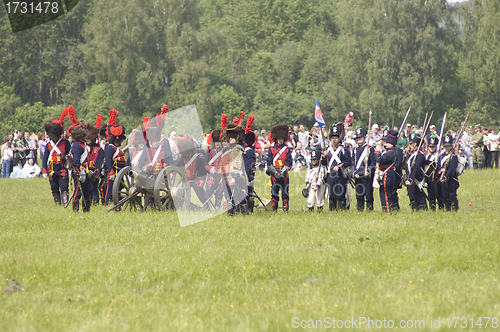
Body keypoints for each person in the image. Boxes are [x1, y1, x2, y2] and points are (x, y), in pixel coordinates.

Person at [42, 107, 71, 205]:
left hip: (62, 168)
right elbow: (45, 157)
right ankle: (57, 203)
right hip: (52, 168)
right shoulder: (48, 145)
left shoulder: (66, 143)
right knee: (54, 187)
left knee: (64, 186)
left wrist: (66, 158)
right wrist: (44, 170)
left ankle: (65, 202)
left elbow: (70, 155)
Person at [68, 107, 92, 213]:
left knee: (87, 192)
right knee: (78, 191)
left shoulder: (82, 144)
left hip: (84, 171)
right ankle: (75, 211)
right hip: (79, 172)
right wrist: (79, 172)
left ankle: (86, 210)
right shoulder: (77, 145)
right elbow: (76, 160)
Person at [324, 123, 351, 211]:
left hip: (341, 175)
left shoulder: (344, 149)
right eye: (332, 138)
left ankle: (341, 209)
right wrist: (324, 157)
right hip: (330, 174)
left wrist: (339, 166)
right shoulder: (327, 149)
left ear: (339, 138)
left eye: (336, 138)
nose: (334, 140)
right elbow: (324, 163)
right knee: (331, 193)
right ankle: (332, 209)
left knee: (340, 192)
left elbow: (348, 161)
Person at [266, 124, 292, 212]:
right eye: (279, 139)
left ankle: (285, 208)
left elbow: (289, 163)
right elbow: (269, 163)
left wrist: (283, 172)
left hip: (284, 174)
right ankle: (274, 209)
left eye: (282, 139)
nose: (280, 140)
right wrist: (275, 173)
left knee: (285, 192)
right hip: (274, 173)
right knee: (274, 192)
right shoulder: (271, 149)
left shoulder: (287, 149)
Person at [104, 109, 127, 205]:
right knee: (110, 189)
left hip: (120, 173)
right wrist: (111, 171)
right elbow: (108, 161)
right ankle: (107, 203)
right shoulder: (110, 148)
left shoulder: (118, 148)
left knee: (119, 190)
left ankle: (118, 203)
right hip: (113, 173)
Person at [375, 130, 399, 213]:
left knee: (386, 194)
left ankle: (388, 211)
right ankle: (386, 209)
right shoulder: (389, 152)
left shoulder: (390, 153)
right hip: (387, 174)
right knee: (384, 193)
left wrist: (377, 151)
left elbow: (379, 159)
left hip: (387, 174)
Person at [351, 127, 376, 211]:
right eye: (358, 138)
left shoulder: (369, 148)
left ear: (364, 138)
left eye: (361, 138)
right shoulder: (355, 149)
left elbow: (373, 162)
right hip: (358, 175)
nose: (359, 140)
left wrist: (369, 170)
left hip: (366, 175)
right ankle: (360, 209)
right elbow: (352, 163)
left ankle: (369, 209)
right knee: (359, 194)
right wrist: (354, 172)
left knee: (368, 194)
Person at [435, 134, 460, 211]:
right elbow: (439, 166)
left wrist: (446, 175)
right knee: (445, 195)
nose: (447, 148)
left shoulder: (453, 156)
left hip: (451, 179)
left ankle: (454, 209)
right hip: (442, 178)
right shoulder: (441, 155)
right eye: (445, 146)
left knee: (452, 195)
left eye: (448, 146)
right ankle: (447, 209)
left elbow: (452, 169)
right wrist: (441, 171)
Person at [404, 133, 427, 211]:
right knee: (412, 196)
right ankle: (415, 210)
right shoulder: (412, 155)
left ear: (416, 145)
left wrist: (411, 178)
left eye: (411, 144)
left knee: (419, 196)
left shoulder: (420, 155)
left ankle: (423, 210)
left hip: (417, 179)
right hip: (411, 178)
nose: (410, 146)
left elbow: (417, 168)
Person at [86, 115, 105, 205]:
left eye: (89, 139)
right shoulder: (85, 148)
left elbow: (99, 162)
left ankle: (96, 202)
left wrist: (95, 172)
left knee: (94, 188)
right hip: (85, 171)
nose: (88, 140)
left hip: (94, 172)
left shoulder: (99, 149)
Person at [304, 145, 326, 212]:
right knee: (310, 199)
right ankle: (310, 209)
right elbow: (308, 176)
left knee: (319, 198)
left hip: (318, 186)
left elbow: (320, 177)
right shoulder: (310, 168)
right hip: (311, 185)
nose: (313, 161)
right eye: (312, 160)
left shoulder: (321, 168)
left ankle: (320, 209)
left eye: (315, 160)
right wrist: (307, 183)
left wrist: (317, 185)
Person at [243, 116, 257, 213]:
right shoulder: (249, 150)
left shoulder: (248, 151)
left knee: (248, 192)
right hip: (248, 173)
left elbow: (248, 165)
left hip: (248, 174)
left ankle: (249, 209)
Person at [424, 135, 440, 210]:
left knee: (438, 194)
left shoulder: (438, 156)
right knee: (430, 194)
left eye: (433, 147)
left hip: (436, 177)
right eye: (430, 147)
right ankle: (432, 207)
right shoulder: (427, 156)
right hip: (428, 178)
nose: (431, 148)